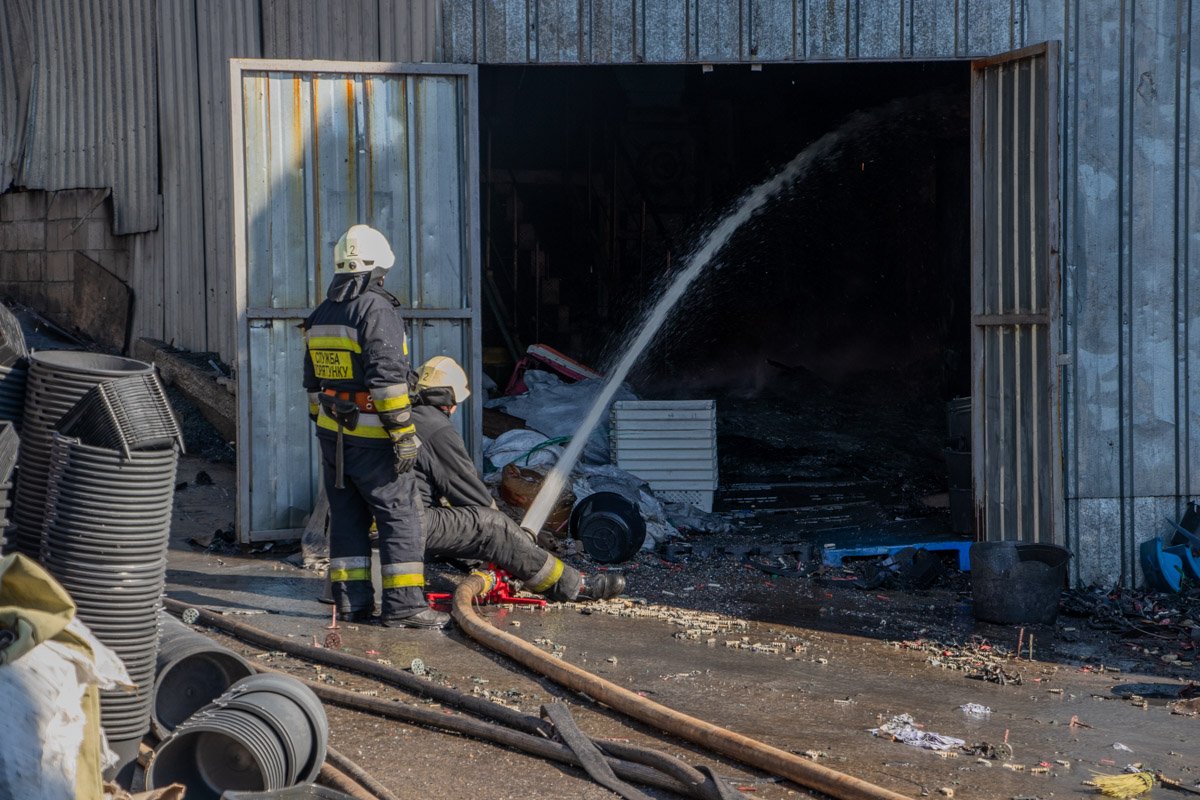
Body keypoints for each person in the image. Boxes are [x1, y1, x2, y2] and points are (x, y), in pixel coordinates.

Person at [302, 224, 448, 629]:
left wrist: (326, 429)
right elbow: (388, 381)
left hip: (334, 440)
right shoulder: (376, 310)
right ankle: (404, 607)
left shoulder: (321, 314)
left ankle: (351, 604)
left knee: (347, 518)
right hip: (374, 441)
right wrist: (403, 435)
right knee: (399, 515)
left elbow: (312, 386)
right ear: (375, 272)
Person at [411, 356, 626, 603]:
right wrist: (514, 536)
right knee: (492, 527)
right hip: (410, 522)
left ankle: (501, 567)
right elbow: (473, 498)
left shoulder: (407, 418)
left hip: (392, 520)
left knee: (465, 524)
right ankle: (573, 585)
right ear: (448, 400)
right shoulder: (435, 427)